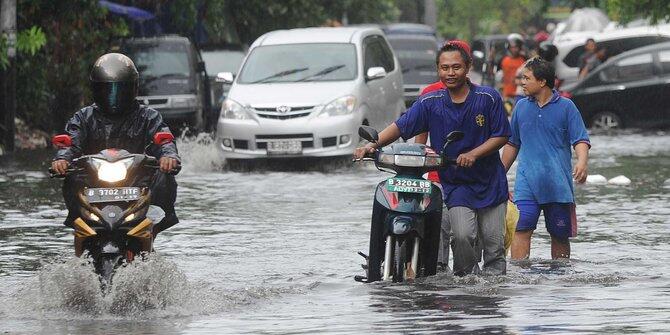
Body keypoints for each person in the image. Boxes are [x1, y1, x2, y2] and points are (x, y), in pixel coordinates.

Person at [354, 42, 511, 276]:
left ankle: (494, 294)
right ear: (438, 69)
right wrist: (372, 145)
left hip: (490, 181)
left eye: (456, 67)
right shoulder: (430, 102)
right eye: (444, 68)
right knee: (462, 236)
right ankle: (466, 283)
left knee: (493, 246)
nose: (450, 73)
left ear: (468, 67)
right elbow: (400, 126)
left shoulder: (488, 98)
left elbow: (501, 135)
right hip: (456, 184)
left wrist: (473, 154)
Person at [51, 53, 181, 236]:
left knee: (164, 176)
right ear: (96, 90)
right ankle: (79, 224)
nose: (113, 96)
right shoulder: (83, 118)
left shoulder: (149, 117)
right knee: (72, 178)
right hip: (94, 183)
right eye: (107, 90)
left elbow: (164, 139)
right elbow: (71, 142)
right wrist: (62, 160)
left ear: (133, 89)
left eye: (120, 90)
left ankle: (154, 224)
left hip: (137, 182)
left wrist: (168, 157)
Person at [501, 57, 590, 260]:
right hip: (526, 184)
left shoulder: (567, 107)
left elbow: (580, 139)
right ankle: (520, 278)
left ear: (542, 82)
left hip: (558, 186)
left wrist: (582, 162)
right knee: (521, 230)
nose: (521, 82)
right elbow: (512, 144)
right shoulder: (520, 107)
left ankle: (559, 282)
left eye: (526, 78)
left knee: (559, 235)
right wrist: (498, 174)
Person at [500, 33, 527, 100]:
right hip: (507, 95)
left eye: (516, 47)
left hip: (521, 95)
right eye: (512, 47)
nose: (514, 49)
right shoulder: (503, 60)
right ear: (508, 47)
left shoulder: (524, 60)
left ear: (520, 47)